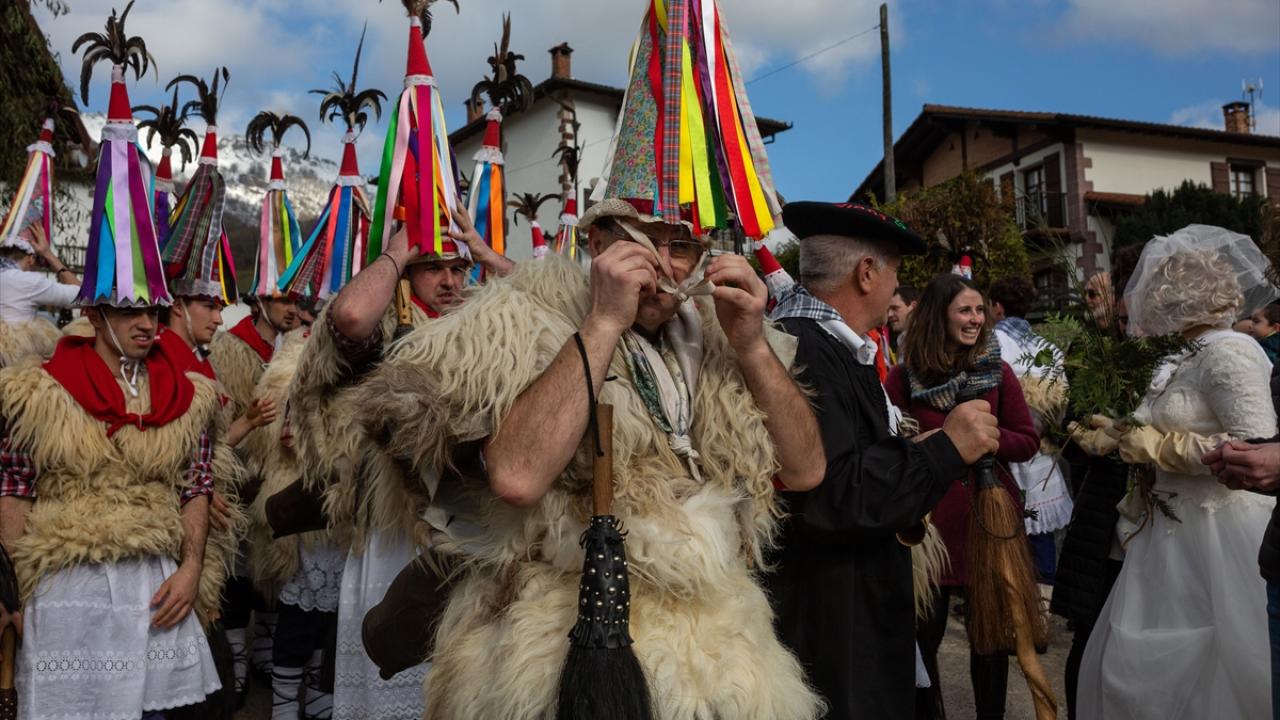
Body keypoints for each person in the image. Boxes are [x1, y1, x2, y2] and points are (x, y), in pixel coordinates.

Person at [0, 53, 232, 714]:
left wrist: (191, 569)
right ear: (96, 311)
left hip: (158, 592)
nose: (148, 323)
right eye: (131, 310)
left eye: (155, 310)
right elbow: (14, 487)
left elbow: (196, 483)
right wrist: (16, 596)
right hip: (67, 594)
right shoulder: (38, 393)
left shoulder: (188, 394)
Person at [766, 201, 999, 719]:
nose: (897, 289)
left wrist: (914, 451)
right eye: (894, 270)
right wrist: (945, 448)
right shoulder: (805, 349)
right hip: (832, 624)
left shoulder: (825, 344)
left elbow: (850, 457)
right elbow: (831, 495)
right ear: (866, 272)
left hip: (846, 609)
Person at [1077, 225, 1278, 719]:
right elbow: (1162, 418)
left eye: (1152, 291)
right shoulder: (1184, 353)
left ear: (1180, 297)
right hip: (1166, 531)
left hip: (1215, 530)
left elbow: (1256, 446)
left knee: (1213, 665)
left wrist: (1160, 448)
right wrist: (1119, 431)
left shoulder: (1229, 351)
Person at [886, 274, 1040, 720]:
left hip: (987, 519)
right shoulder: (904, 375)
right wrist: (935, 443)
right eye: (965, 311)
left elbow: (1027, 440)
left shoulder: (998, 372)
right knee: (924, 637)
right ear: (940, 316)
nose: (975, 320)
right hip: (928, 528)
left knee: (990, 640)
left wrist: (986, 439)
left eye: (979, 311)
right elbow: (888, 442)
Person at [1050, 241, 1143, 720]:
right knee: (1090, 634)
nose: (1094, 305)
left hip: (1151, 516)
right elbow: (1071, 425)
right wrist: (1092, 437)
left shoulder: (1157, 352)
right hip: (1102, 510)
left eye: (1098, 294)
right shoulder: (1089, 352)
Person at [989, 275, 1073, 585]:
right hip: (1041, 457)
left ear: (997, 307)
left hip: (1004, 454)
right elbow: (1060, 406)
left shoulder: (992, 344)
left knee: (1005, 547)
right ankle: (1044, 603)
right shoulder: (1048, 348)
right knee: (1042, 547)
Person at [0, 220, 80, 366]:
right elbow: (82, 296)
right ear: (31, 259)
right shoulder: (29, 281)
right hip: (14, 366)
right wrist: (48, 254)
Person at [887, 285, 919, 358]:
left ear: (913, 307)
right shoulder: (902, 339)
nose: (889, 314)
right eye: (887, 310)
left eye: (895, 308)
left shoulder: (927, 339)